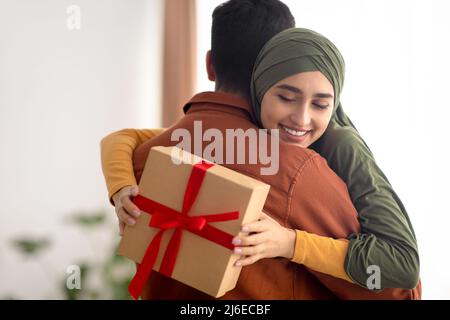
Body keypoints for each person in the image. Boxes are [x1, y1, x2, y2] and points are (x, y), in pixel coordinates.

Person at [101, 0, 420, 299]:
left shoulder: (144, 156)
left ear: (210, 64)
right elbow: (396, 289)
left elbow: (124, 138)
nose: (303, 117)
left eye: (320, 103)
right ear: (267, 74)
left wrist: (119, 186)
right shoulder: (298, 170)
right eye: (287, 95)